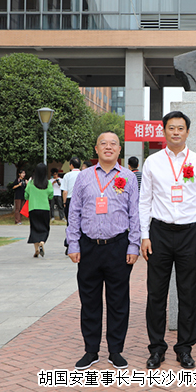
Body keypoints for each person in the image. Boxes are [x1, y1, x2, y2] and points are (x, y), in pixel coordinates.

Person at [139, 111, 196, 370]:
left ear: (187, 132)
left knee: (188, 293)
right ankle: (156, 348)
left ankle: (184, 348)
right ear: (164, 131)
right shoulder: (153, 162)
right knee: (156, 294)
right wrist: (145, 235)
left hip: (189, 234)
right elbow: (144, 201)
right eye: (171, 128)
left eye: (181, 128)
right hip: (158, 233)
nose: (176, 132)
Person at [66, 132, 139, 370]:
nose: (108, 147)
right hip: (89, 247)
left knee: (118, 302)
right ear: (96, 149)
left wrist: (134, 244)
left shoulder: (128, 177)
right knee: (89, 301)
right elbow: (74, 212)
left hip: (118, 246)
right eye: (103, 144)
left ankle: (115, 351)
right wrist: (73, 243)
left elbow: (135, 213)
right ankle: (91, 350)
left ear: (119, 150)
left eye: (113, 144)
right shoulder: (84, 177)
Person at [26, 163, 54, 257]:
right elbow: (51, 196)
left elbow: (26, 195)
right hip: (45, 208)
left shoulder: (31, 183)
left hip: (33, 208)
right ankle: (42, 242)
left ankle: (36, 249)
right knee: (45, 228)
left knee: (34, 228)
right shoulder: (48, 183)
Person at [61, 157, 82, 221]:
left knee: (70, 220)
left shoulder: (67, 175)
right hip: (81, 200)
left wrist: (64, 202)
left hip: (70, 199)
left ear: (71, 165)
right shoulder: (83, 174)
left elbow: (65, 191)